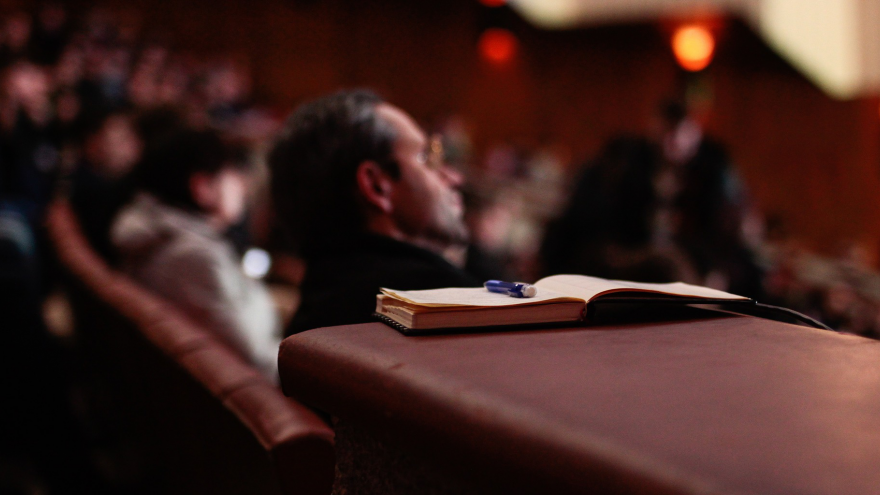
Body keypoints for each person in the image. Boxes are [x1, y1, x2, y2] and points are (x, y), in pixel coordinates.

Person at [269, 90, 480, 335]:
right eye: (426, 158)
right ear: (377, 186)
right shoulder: (443, 303)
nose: (454, 178)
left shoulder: (315, 314)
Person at [111, 129, 281, 380]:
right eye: (231, 173)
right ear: (202, 187)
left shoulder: (158, 233)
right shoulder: (193, 259)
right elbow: (256, 360)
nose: (242, 187)